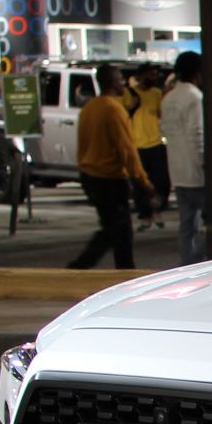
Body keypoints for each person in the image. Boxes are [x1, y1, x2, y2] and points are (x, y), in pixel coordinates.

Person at [68, 64, 151, 270]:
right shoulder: (114, 110)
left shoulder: (89, 109)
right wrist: (142, 180)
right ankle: (120, 274)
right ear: (112, 83)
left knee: (112, 228)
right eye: (120, 79)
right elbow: (127, 150)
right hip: (110, 179)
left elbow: (83, 144)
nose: (124, 83)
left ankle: (83, 267)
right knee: (120, 232)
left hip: (90, 175)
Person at [159, 51, 205, 264]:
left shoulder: (168, 98)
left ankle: (185, 265)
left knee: (186, 225)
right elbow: (197, 135)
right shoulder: (195, 97)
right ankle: (196, 264)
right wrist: (204, 162)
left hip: (176, 171)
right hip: (196, 172)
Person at [125, 64, 169, 227]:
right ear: (141, 76)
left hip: (156, 143)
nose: (154, 78)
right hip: (137, 146)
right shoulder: (129, 94)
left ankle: (157, 210)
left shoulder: (156, 94)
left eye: (155, 75)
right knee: (140, 184)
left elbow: (160, 115)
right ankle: (145, 214)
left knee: (161, 181)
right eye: (151, 75)